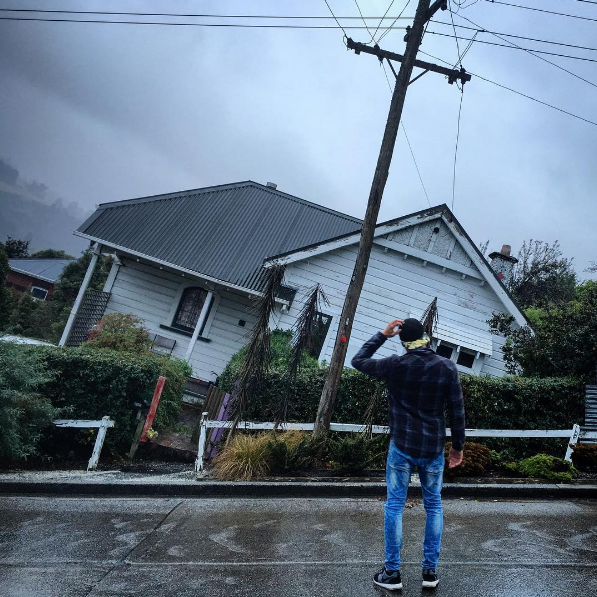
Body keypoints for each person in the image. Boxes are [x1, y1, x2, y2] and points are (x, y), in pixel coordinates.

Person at [351, 317, 465, 590]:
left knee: (394, 506)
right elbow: (457, 411)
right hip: (432, 449)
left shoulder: (395, 365)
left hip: (401, 447)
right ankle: (429, 573)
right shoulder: (447, 367)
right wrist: (457, 448)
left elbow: (358, 360)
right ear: (425, 336)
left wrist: (382, 335)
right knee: (434, 505)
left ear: (402, 340)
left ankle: (392, 574)